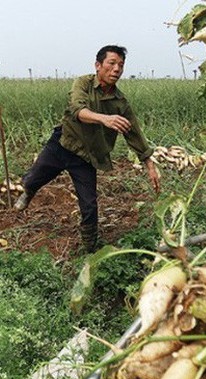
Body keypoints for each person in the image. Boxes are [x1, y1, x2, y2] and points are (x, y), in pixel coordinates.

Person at [14, 45, 161, 253]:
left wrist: (149, 164)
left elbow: (133, 133)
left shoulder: (120, 103)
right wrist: (104, 119)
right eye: (111, 63)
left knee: (89, 205)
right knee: (33, 178)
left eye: (121, 65)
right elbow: (77, 110)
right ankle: (28, 193)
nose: (116, 69)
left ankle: (89, 248)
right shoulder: (83, 83)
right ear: (98, 65)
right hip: (63, 144)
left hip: (86, 157)